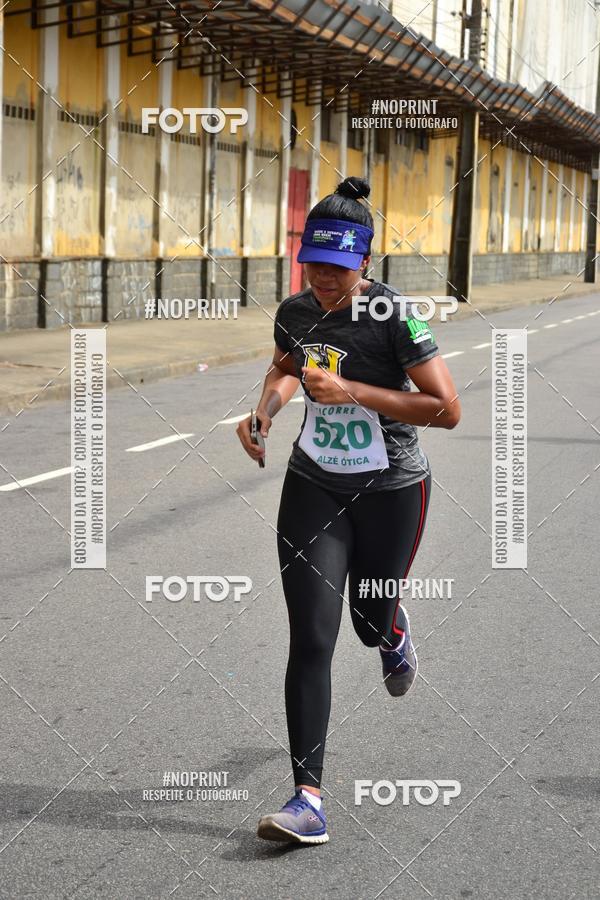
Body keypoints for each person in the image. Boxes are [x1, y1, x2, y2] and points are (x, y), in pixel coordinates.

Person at [236, 176, 461, 845]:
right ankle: (308, 799)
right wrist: (265, 411)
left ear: (364, 261)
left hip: (392, 487)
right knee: (312, 636)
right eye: (313, 266)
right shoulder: (297, 310)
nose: (324, 281)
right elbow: (284, 366)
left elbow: (446, 408)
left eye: (337, 269)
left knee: (367, 622)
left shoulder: (396, 317)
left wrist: (352, 391)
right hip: (315, 485)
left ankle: (392, 631)